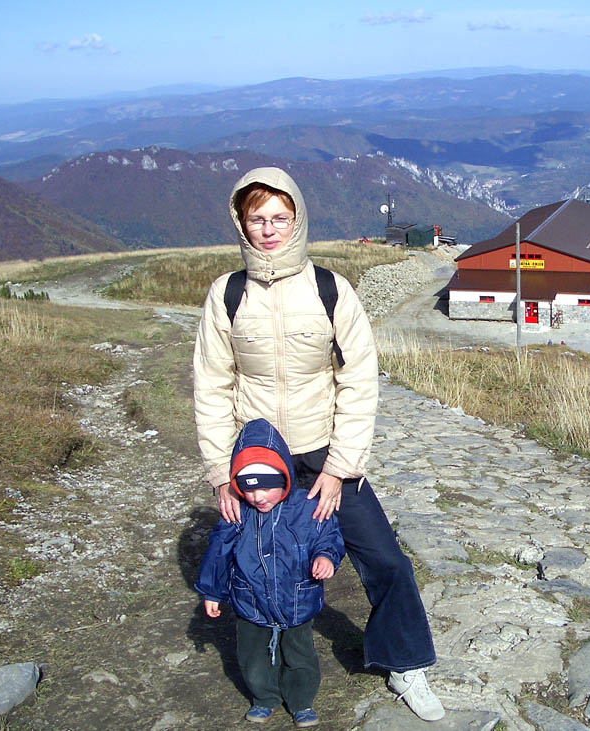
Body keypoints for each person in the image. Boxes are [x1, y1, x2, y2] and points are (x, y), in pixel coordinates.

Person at [193, 167, 445, 721]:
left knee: (385, 560)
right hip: (257, 460)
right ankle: (269, 663)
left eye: (279, 218)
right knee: (255, 563)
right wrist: (220, 475)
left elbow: (359, 377)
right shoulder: (227, 294)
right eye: (256, 218)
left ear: (298, 218)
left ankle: (405, 665)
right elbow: (211, 384)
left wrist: (339, 468)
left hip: (323, 453)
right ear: (241, 222)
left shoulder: (332, 288)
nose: (268, 229)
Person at [196, 418, 344, 727]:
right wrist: (212, 591)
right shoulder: (237, 513)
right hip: (249, 600)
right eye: (248, 489)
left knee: (300, 654)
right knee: (252, 657)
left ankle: (301, 701)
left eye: (266, 487)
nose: (258, 497)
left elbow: (328, 536)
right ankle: (264, 697)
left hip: (297, 598)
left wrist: (326, 557)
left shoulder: (307, 507)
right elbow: (218, 553)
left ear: (285, 478)